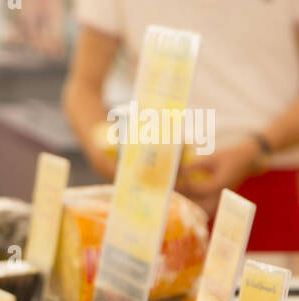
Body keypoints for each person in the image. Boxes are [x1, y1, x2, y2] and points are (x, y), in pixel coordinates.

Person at [62, 1, 299, 261]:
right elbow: (83, 89)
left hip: (270, 198)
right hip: (153, 200)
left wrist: (257, 148)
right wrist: (112, 157)